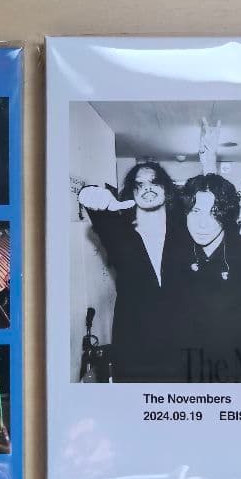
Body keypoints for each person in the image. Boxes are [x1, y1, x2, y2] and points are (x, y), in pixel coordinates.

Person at [78, 162, 188, 382]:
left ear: (166, 189)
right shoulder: (118, 231)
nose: (147, 187)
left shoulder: (186, 229)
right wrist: (88, 193)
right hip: (134, 344)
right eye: (139, 184)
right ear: (132, 192)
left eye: (154, 182)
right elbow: (91, 201)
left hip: (183, 343)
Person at [174, 173, 241, 380]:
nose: (202, 224)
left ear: (226, 214)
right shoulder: (177, 250)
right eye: (196, 211)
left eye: (214, 213)